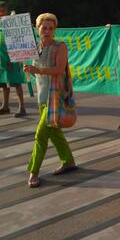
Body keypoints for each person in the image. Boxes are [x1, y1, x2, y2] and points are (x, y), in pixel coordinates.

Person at [23, 13, 77, 188]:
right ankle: (68, 161)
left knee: (40, 135)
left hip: (55, 97)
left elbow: (59, 69)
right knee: (54, 133)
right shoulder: (35, 48)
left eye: (50, 28)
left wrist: (37, 70)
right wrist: (28, 69)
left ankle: (34, 171)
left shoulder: (59, 46)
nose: (47, 31)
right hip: (42, 97)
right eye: (43, 28)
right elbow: (35, 71)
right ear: (37, 29)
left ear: (55, 30)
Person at [0, 1, 26, 117]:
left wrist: (14, 18)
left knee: (16, 81)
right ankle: (5, 106)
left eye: (2, 11)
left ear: (7, 10)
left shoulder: (13, 21)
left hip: (13, 55)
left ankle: (22, 107)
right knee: (2, 82)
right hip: (0, 56)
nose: (0, 13)